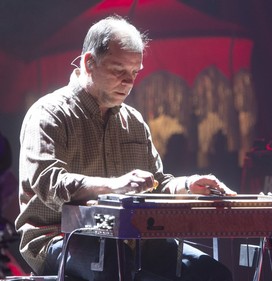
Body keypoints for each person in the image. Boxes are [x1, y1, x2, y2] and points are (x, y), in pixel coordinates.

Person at [15, 15, 237, 281]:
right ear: (89, 63)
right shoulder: (49, 113)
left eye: (134, 72)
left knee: (212, 273)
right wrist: (114, 185)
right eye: (118, 70)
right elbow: (47, 182)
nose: (128, 82)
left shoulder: (133, 120)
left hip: (133, 236)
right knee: (117, 266)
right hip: (60, 238)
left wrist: (187, 185)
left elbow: (156, 184)